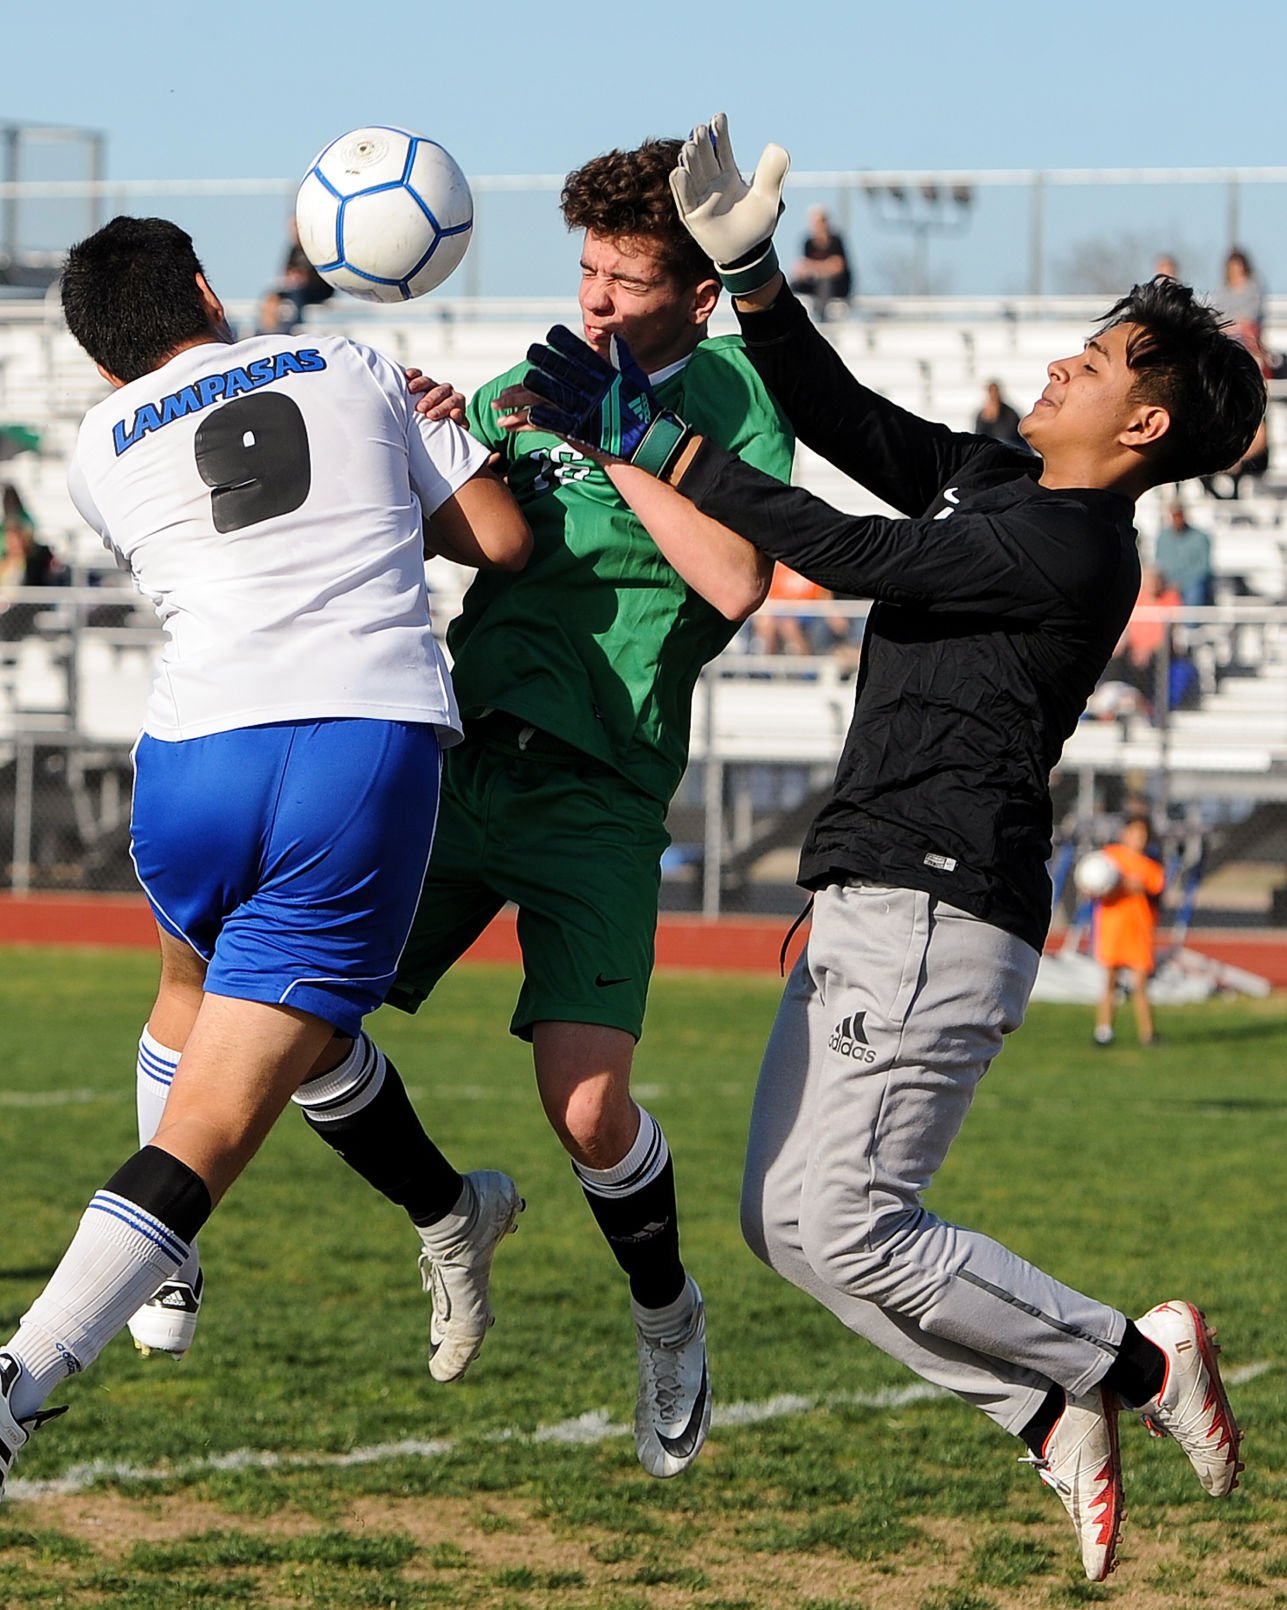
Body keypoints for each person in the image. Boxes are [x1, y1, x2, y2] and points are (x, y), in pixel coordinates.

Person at [516, 112, 1267, 1582]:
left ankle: (1132, 1361)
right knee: (782, 1225)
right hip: (874, 895)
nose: (1066, 357)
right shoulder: (1004, 480)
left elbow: (850, 552)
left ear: (1141, 430)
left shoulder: (1069, 542)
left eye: (1100, 360)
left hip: (933, 906)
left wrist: (648, 436)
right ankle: (1046, 1414)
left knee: (850, 1223)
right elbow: (844, 421)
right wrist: (749, 274)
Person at [238, 137, 787, 1483]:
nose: (595, 303)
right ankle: (449, 1213)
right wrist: (429, 444)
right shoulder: (527, 378)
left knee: (590, 1112)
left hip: (600, 785)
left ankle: (666, 1317)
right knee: (293, 1026)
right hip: (456, 752)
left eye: (629, 280)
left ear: (699, 296)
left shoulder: (736, 399)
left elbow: (730, 582)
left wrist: (607, 436)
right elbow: (472, 521)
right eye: (586, 272)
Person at [0, 215, 531, 1498]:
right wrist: (450, 434)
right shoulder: (352, 359)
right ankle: (18, 1380)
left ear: (98, 353)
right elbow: (499, 541)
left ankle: (197, 1270)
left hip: (193, 755)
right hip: (356, 744)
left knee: (205, 1003)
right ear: (201, 287)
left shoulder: (93, 448)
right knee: (225, 1109)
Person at [1092, 816, 1166, 1047]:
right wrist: (1117, 884)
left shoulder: (1151, 867)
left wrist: (1139, 887)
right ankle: (1103, 1032)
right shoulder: (1110, 858)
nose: (1139, 839)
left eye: (1143, 835)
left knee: (1140, 984)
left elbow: (1157, 894)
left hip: (1139, 930)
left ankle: (1148, 1034)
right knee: (1110, 982)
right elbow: (1094, 883)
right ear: (1125, 833)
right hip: (1113, 928)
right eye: (1134, 833)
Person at [789, 205, 852, 321]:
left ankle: (823, 319)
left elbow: (838, 267)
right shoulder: (808, 243)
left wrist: (816, 268)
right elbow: (804, 266)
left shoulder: (836, 241)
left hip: (836, 286)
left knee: (825, 283)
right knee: (793, 284)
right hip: (814, 282)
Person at [1153, 501, 1213, 608]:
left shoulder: (1200, 537)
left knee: (1194, 590)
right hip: (1168, 581)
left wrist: (1181, 581)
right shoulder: (1163, 537)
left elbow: (1203, 567)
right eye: (1174, 515)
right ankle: (1161, 622)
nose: (1177, 519)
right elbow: (1159, 562)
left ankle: (1190, 624)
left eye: (1179, 515)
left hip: (1191, 581)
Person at [1218, 248, 1265, 352]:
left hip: (1248, 331)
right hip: (1228, 330)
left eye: (1237, 266)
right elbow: (1219, 310)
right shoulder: (1223, 289)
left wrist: (1241, 323)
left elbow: (1254, 310)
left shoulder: (1253, 288)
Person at [973, 380, 1025, 448]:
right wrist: (986, 420)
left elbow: (1010, 434)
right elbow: (979, 435)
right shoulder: (982, 415)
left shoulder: (1009, 413)